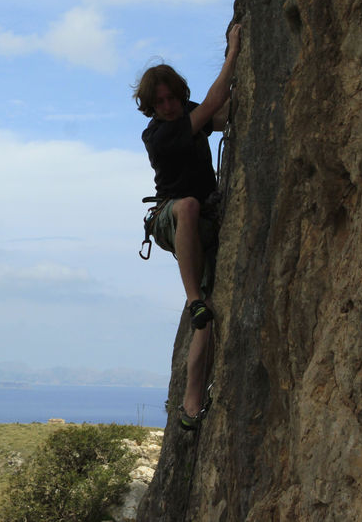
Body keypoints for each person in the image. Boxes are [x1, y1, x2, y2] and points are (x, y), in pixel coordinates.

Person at [133, 23, 241, 431]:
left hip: (200, 222)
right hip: (171, 218)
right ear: (151, 106)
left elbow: (223, 112)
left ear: (179, 94)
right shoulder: (159, 136)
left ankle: (191, 406)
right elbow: (215, 102)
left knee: (206, 319)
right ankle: (192, 296)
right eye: (159, 101)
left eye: (171, 97)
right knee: (190, 205)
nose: (168, 105)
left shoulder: (187, 118)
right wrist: (233, 53)